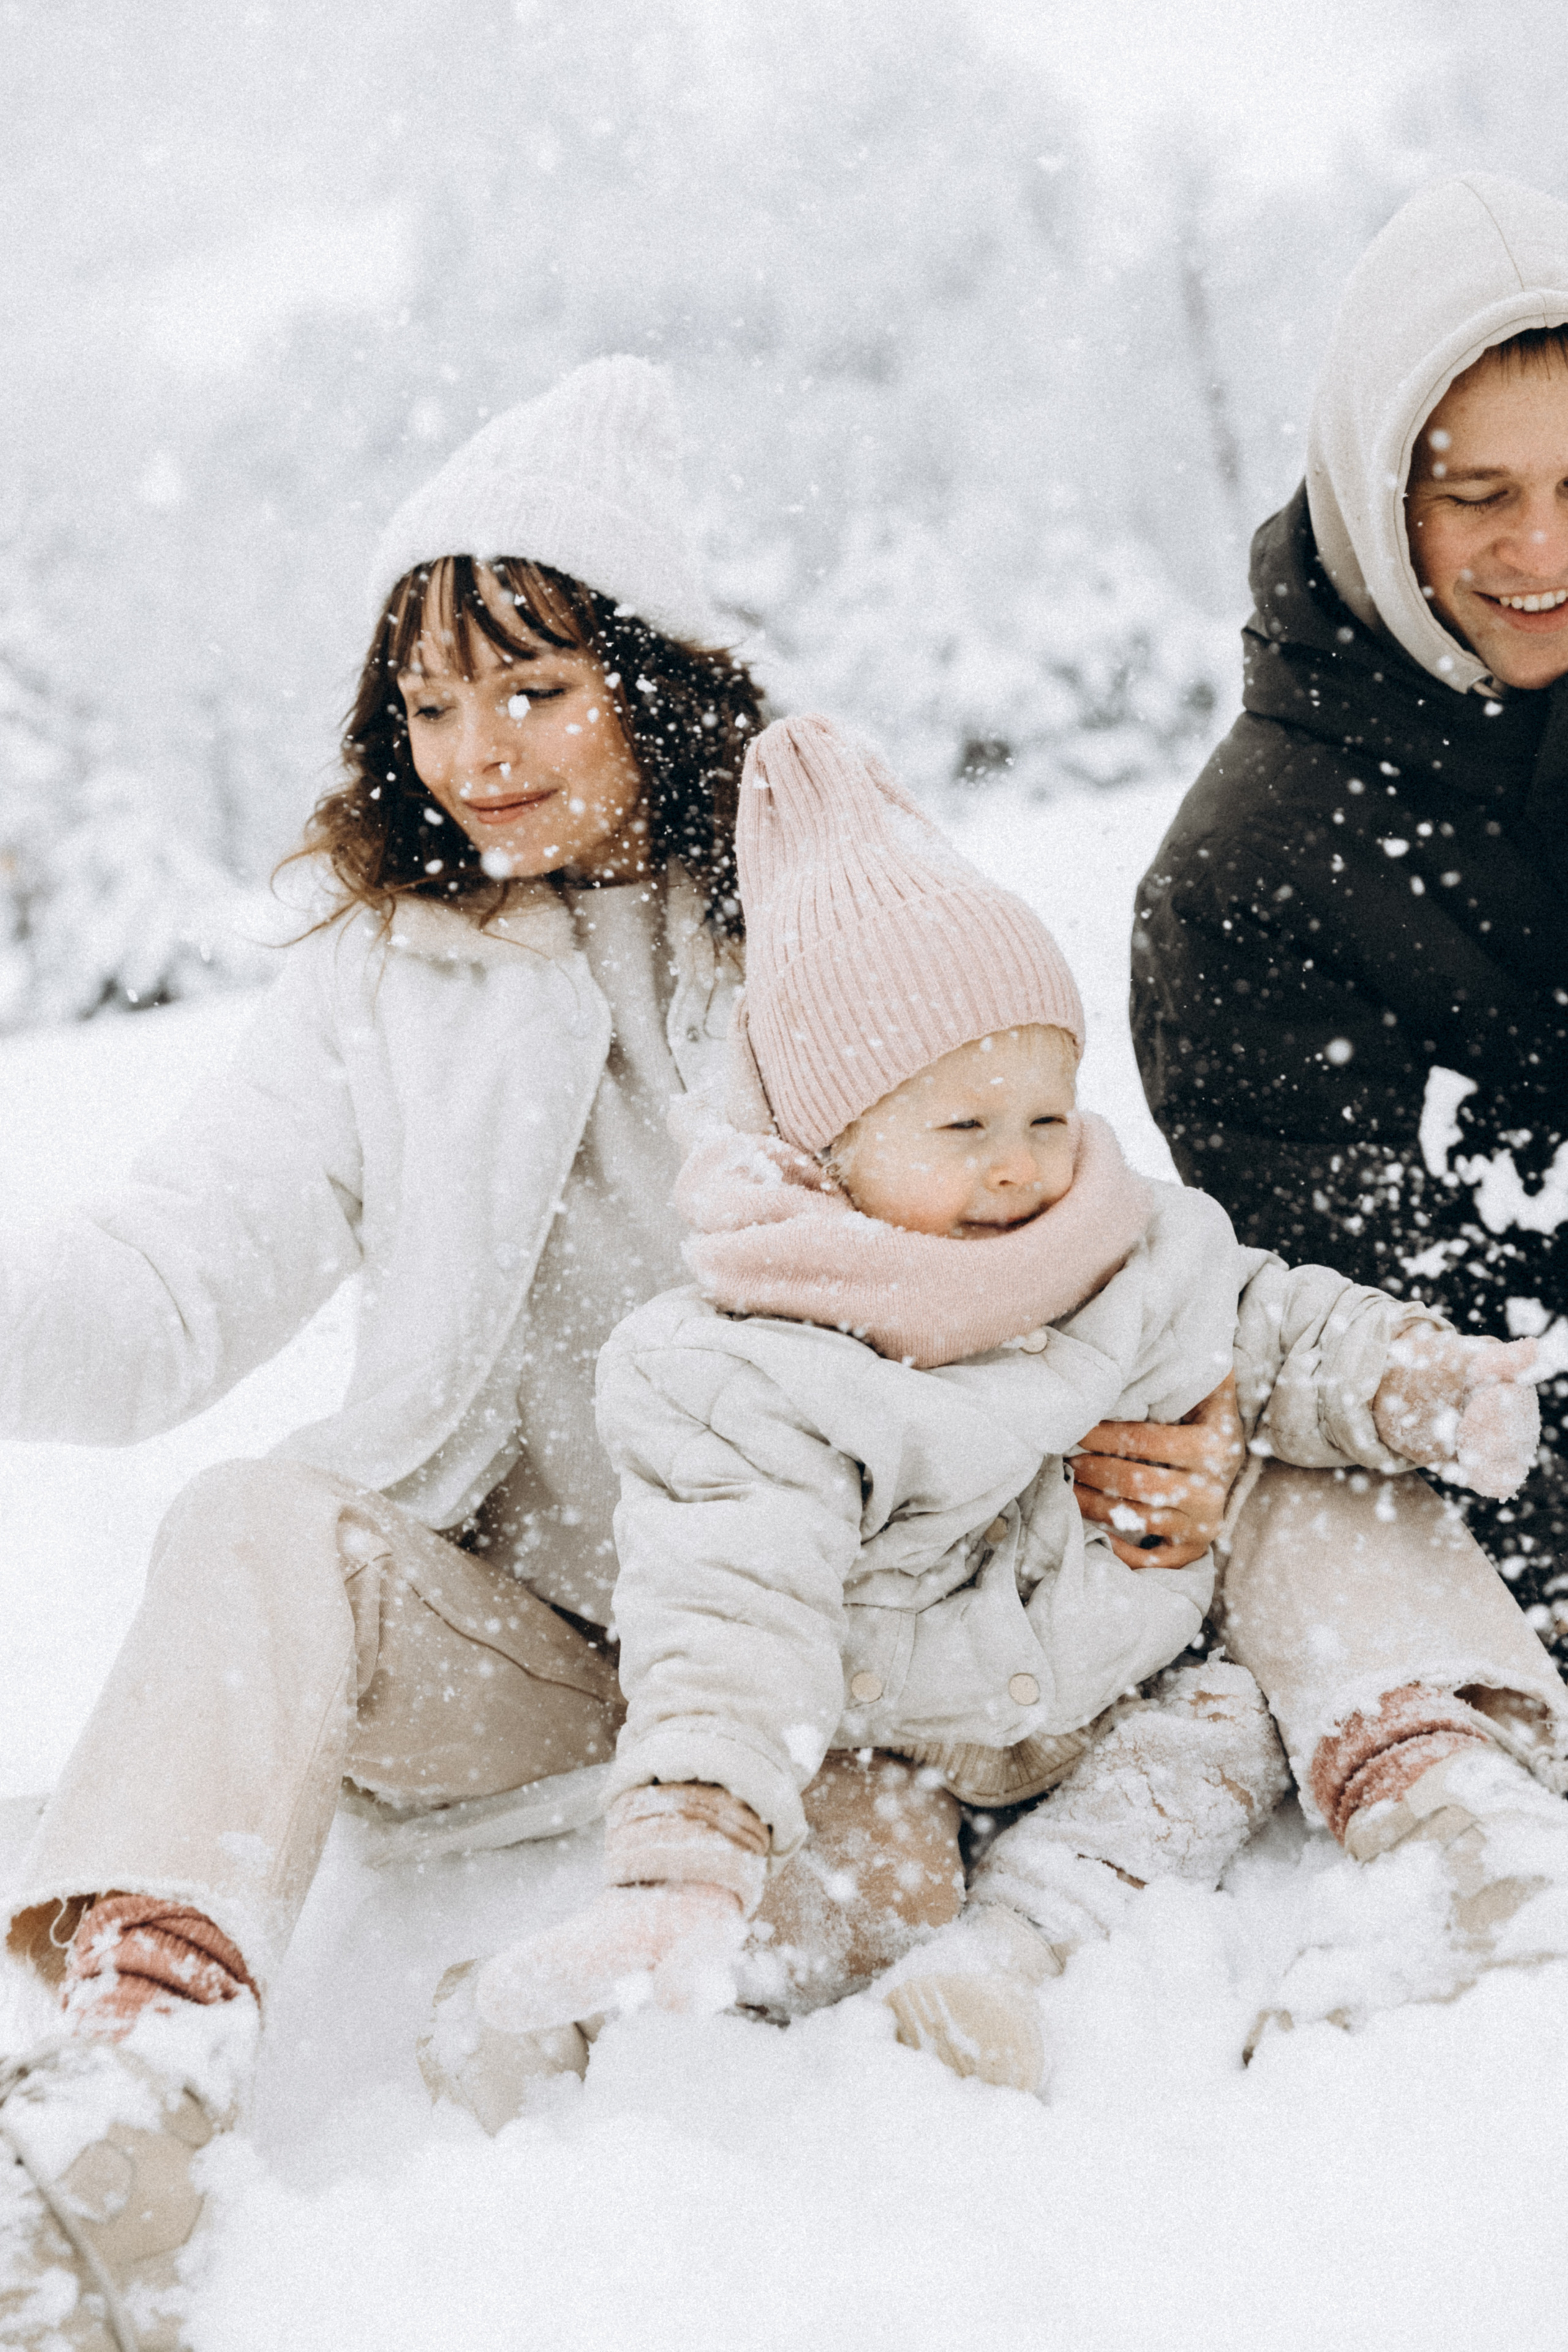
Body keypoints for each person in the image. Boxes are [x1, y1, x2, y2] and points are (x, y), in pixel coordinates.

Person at [0, 361, 937, 2352]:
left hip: (804, 1664)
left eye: (533, 689)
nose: (478, 755)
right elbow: (176, 1279)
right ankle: (124, 2114)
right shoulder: (384, 967)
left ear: (651, 679)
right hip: (511, 1661)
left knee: (881, 1897)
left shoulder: (814, 911)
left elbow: (999, 1232)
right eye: (431, 706)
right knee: (261, 1511)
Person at [461, 712, 1556, 2101]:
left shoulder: (1131, 1245)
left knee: (1218, 1737)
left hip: (1115, 1681)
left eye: (1044, 1116)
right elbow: (727, 1609)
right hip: (888, 1724)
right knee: (868, 1876)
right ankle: (586, 2014)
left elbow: (1276, 1324)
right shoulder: (745, 1361)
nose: (1017, 1169)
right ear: (830, 1148)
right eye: (960, 1131)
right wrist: (693, 1840)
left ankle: (1020, 1945)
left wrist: (1419, 1380)